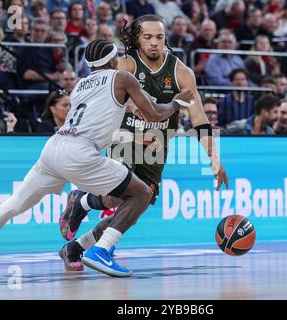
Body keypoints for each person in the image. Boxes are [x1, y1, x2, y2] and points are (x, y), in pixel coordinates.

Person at [0, 39, 194, 277]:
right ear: (113, 60)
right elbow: (153, 114)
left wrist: (135, 135)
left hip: (54, 148)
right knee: (141, 193)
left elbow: (101, 124)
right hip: (81, 153)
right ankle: (101, 249)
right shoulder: (123, 78)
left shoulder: (80, 86)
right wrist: (174, 103)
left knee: (14, 204)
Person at [56, 15, 228, 272]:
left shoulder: (181, 72)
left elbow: (199, 118)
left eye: (159, 37)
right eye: (147, 37)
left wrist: (214, 160)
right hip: (125, 137)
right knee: (118, 195)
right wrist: (129, 107)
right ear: (137, 39)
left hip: (157, 145)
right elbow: (99, 101)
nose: (154, 42)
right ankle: (84, 208)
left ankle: (77, 246)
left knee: (132, 208)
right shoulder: (125, 65)